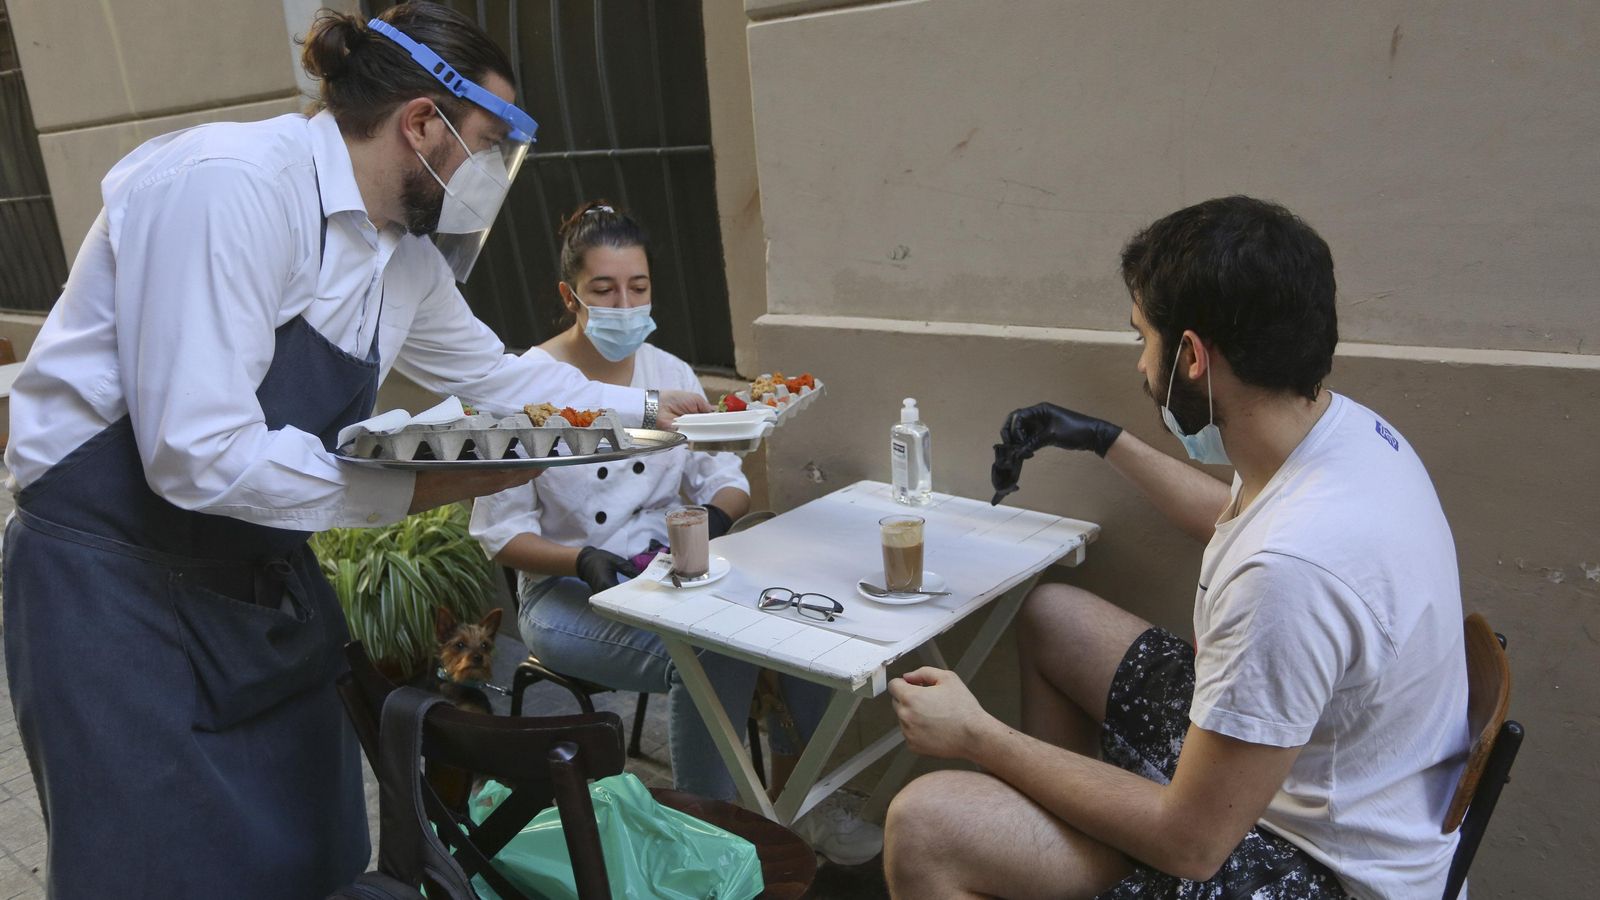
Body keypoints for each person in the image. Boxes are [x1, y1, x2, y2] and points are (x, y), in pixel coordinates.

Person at [0, 6, 710, 898]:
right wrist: (416, 489)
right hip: (112, 586)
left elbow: (497, 379)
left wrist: (656, 407)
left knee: (308, 848)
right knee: (155, 864)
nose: (490, 175)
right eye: (486, 145)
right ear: (421, 122)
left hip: (251, 580)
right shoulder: (229, 186)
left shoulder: (404, 259)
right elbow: (195, 455)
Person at [883, 196, 1469, 900]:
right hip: (1319, 783)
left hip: (1321, 867)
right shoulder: (1347, 438)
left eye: (1143, 338)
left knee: (922, 825)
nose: (1140, 363)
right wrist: (1103, 439)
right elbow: (1238, 517)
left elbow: (1190, 844)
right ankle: (1049, 849)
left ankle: (1042, 854)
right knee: (1054, 618)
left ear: (1191, 356)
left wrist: (977, 735)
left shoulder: (1290, 573)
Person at [470, 199, 884, 866]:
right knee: (711, 655)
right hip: (569, 594)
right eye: (604, 289)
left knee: (795, 619)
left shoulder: (670, 375)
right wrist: (581, 559)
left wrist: (714, 521)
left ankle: (801, 802)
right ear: (568, 294)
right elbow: (499, 534)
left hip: (674, 576)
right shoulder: (525, 389)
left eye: (638, 287)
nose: (624, 303)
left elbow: (725, 475)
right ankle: (708, 841)